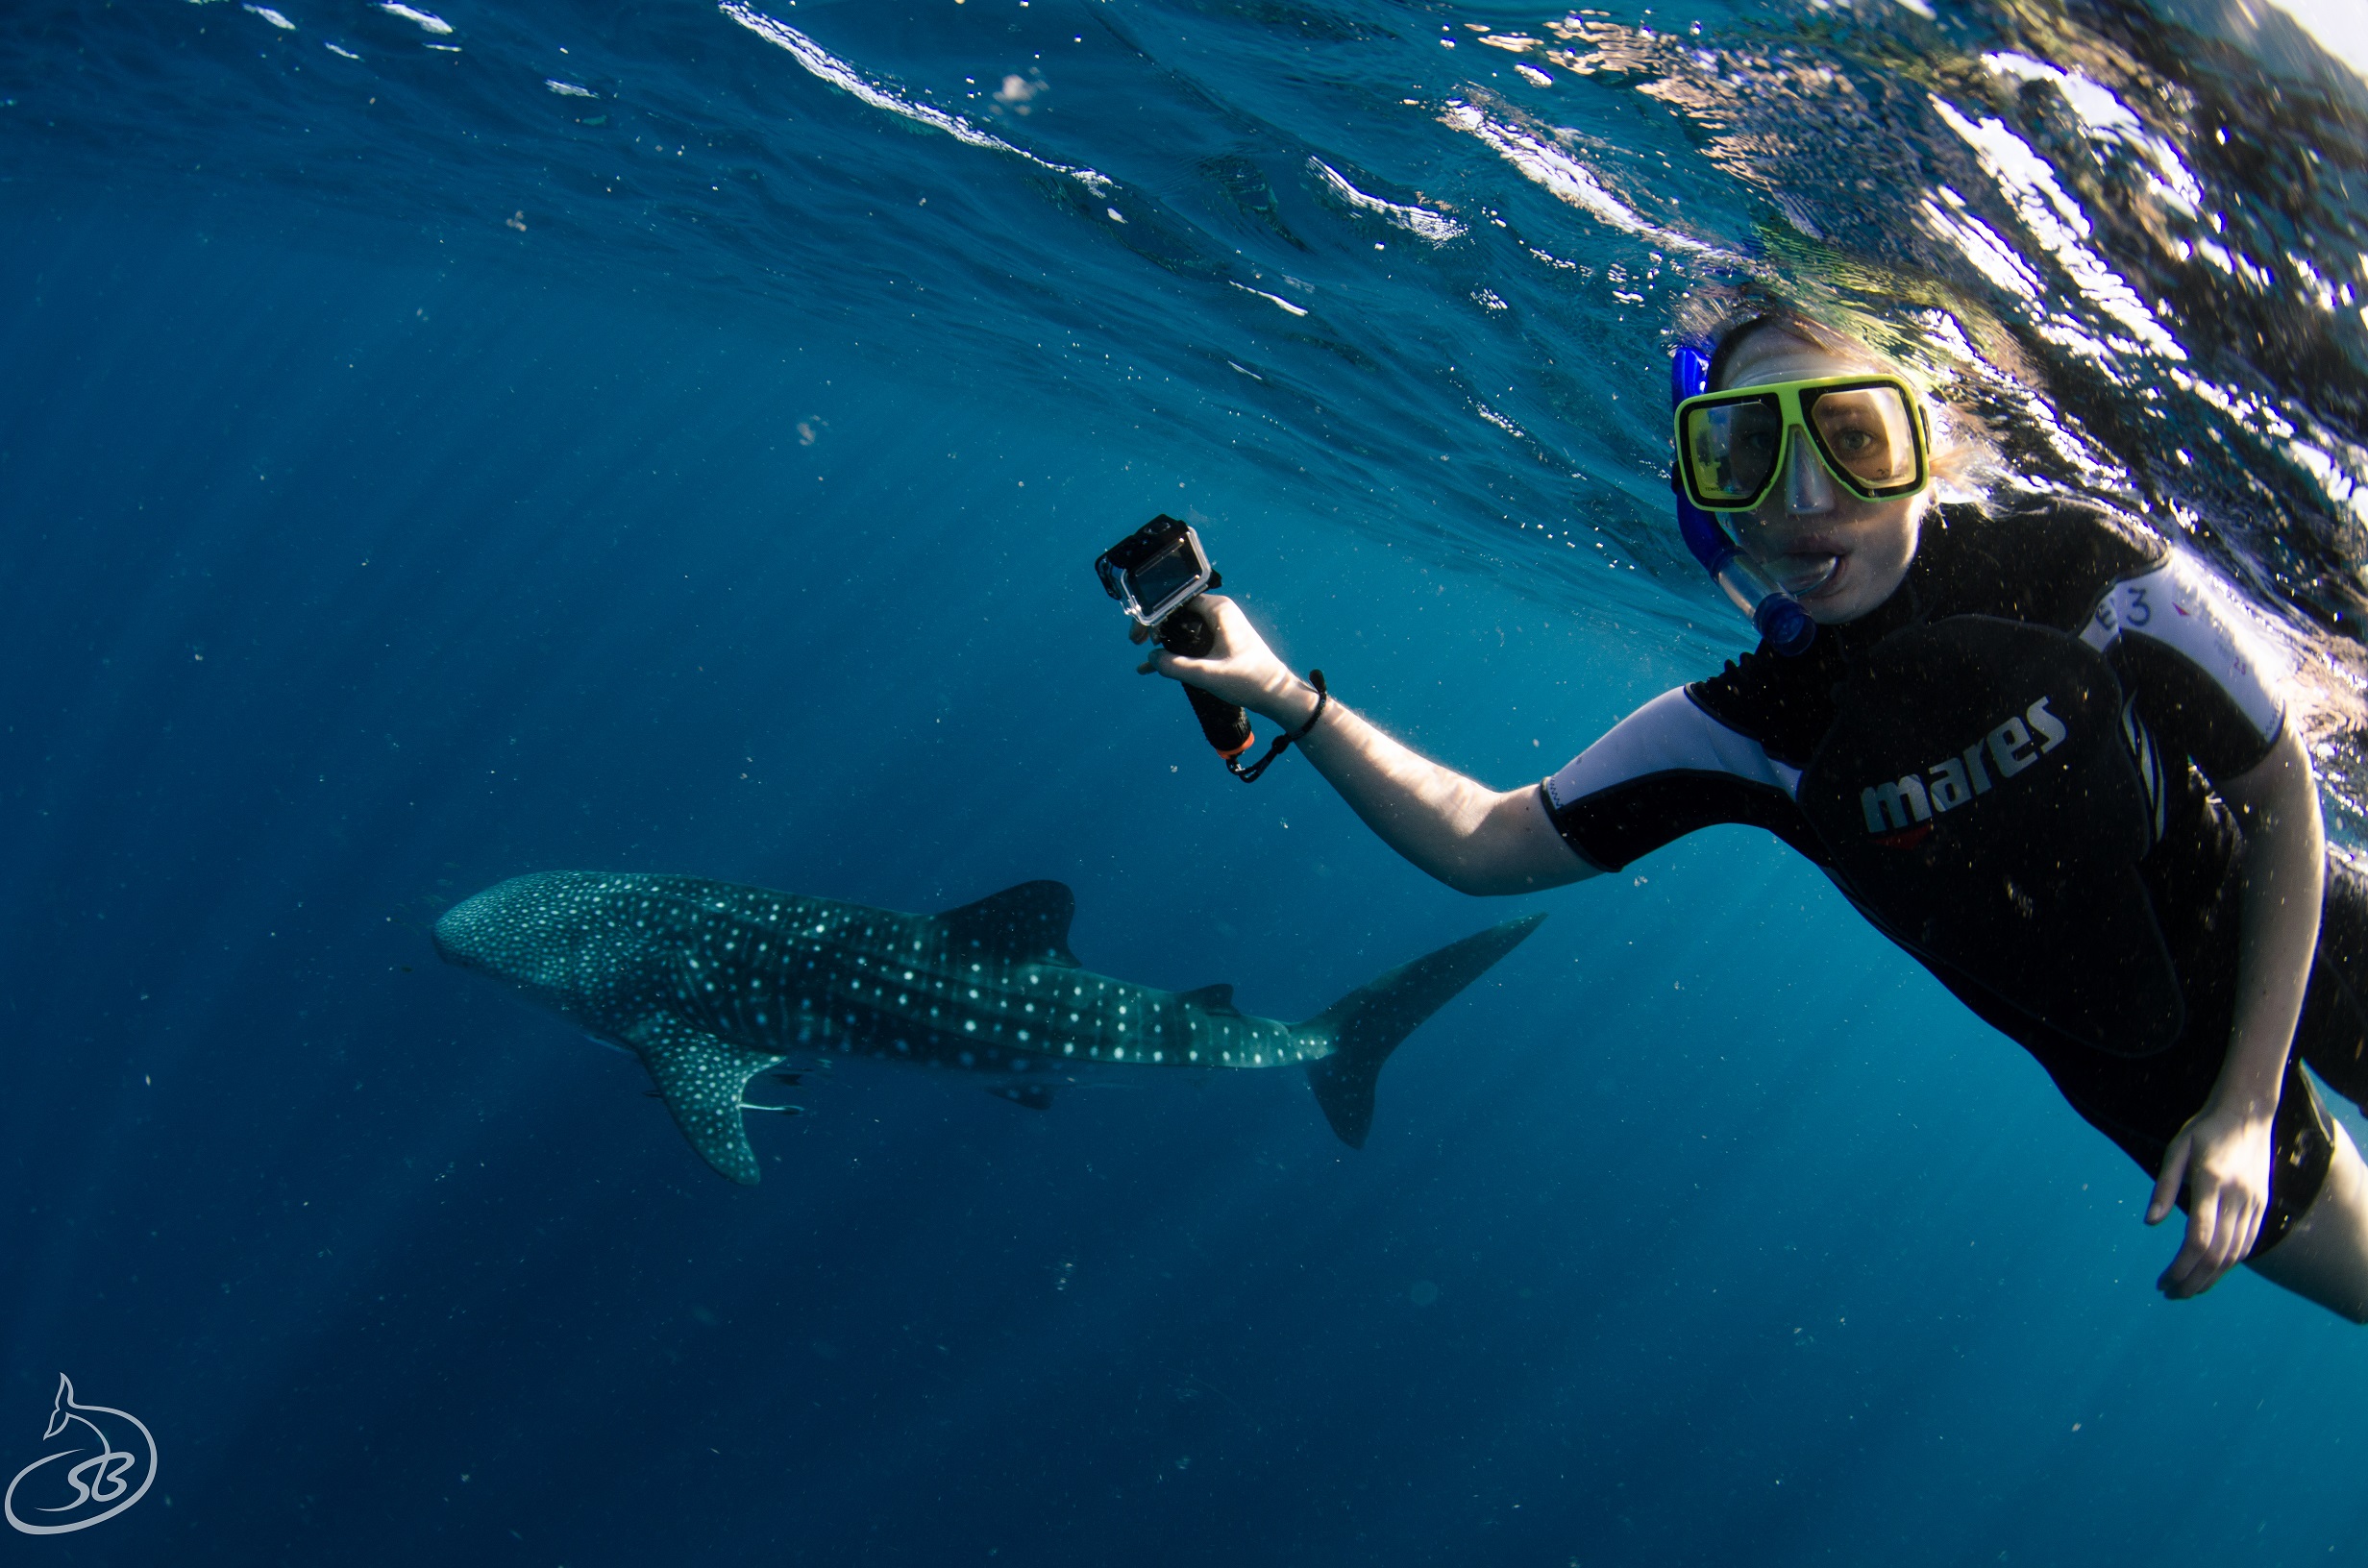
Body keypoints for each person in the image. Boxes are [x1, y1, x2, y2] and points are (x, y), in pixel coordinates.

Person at [1135, 307, 2368, 1322]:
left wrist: (2253, 1102)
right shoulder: (1751, 727)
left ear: (1921, 446)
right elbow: (1484, 842)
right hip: (2148, 1068)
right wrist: (1280, 695)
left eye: (1850, 437)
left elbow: (2277, 796)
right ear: (1704, 495)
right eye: (1741, 458)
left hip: (2302, 936)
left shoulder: (2078, 571)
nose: (1799, 500)